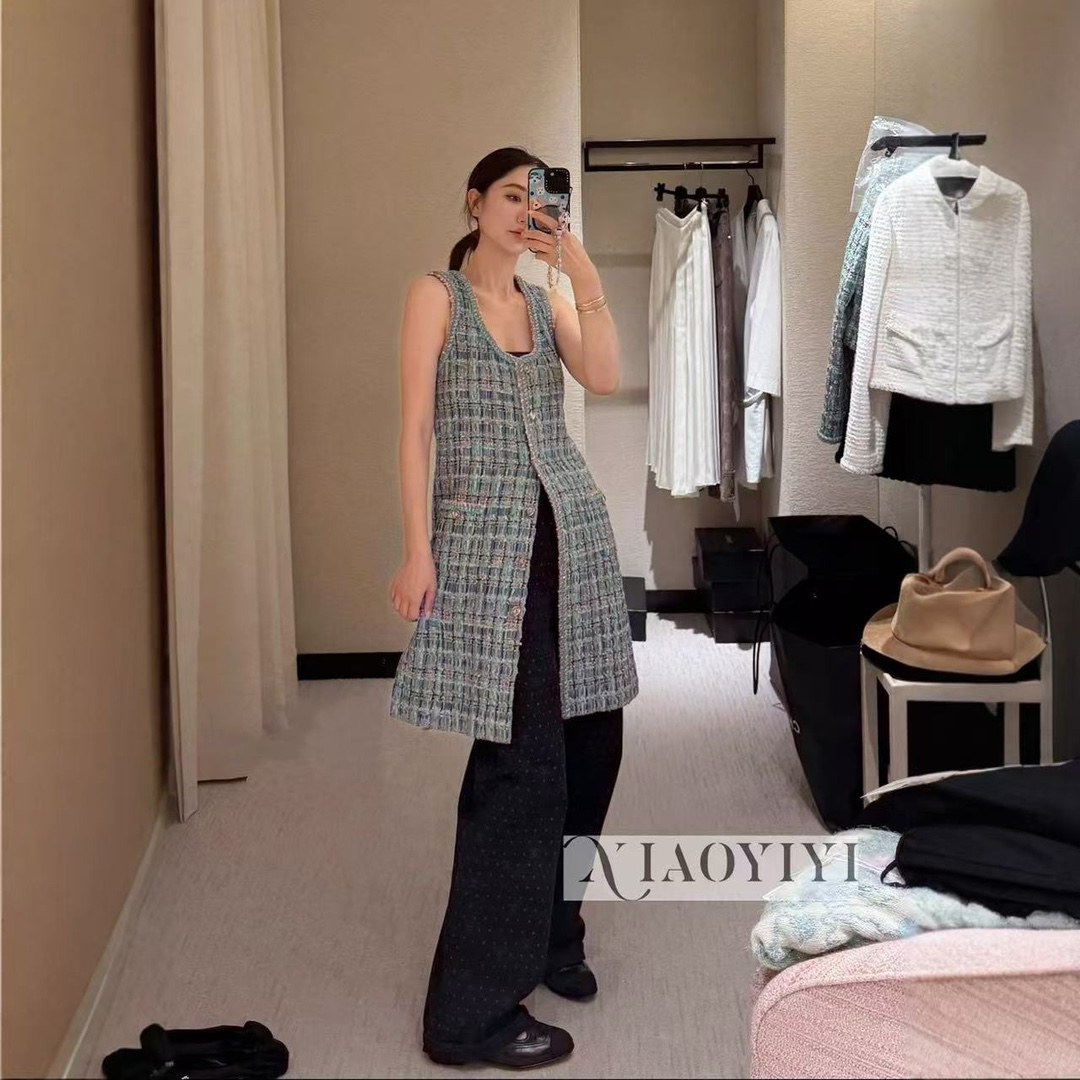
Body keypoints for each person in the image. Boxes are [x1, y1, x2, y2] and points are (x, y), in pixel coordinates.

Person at [388, 146, 640, 1069]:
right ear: (474, 202)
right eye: (507, 194)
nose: (523, 210)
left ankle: (554, 933)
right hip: (491, 555)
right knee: (521, 772)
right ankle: (470, 1014)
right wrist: (417, 548)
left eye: (537, 198)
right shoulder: (437, 296)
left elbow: (603, 375)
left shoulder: (545, 299)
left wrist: (578, 268)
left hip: (574, 541)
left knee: (594, 746)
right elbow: (415, 429)